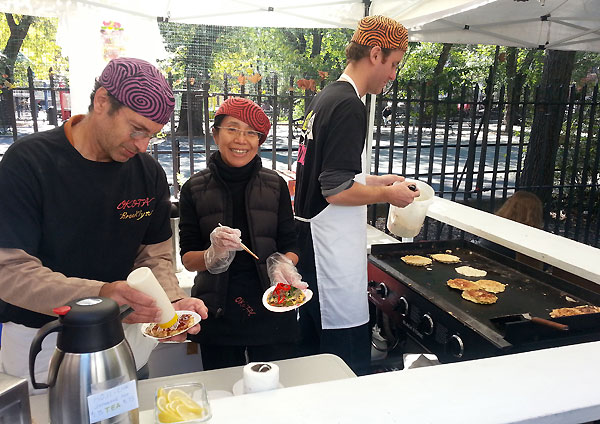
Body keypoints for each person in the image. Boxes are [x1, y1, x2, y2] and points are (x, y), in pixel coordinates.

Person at [0, 57, 208, 389]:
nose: (143, 146)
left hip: (125, 338)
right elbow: (10, 271)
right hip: (44, 341)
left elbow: (153, 257)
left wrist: (170, 301)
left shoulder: (147, 173)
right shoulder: (29, 163)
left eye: (152, 136)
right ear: (101, 102)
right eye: (136, 129)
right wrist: (99, 296)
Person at [293, 16, 420, 375]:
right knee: (340, 358)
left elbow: (331, 172)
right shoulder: (350, 104)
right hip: (328, 248)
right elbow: (335, 190)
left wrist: (380, 181)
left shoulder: (327, 97)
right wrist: (389, 195)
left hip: (314, 240)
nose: (393, 75)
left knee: (315, 351)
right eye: (394, 64)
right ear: (376, 53)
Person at [178, 97, 303, 370]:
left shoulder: (275, 185)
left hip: (274, 308)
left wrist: (284, 264)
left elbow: (291, 245)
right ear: (215, 133)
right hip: (218, 312)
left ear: (260, 140)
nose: (241, 140)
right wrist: (213, 255)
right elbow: (187, 258)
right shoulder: (193, 188)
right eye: (232, 129)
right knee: (224, 393)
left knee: (277, 392)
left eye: (251, 133)